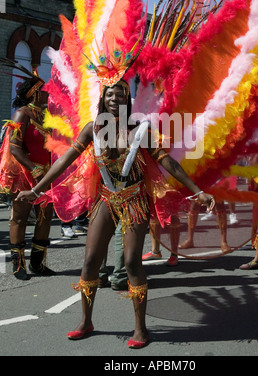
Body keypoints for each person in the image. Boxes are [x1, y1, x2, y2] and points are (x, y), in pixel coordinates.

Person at [16, 80, 215, 348]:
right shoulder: (93, 129)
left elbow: (167, 161)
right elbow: (64, 161)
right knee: (90, 262)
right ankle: (86, 321)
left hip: (135, 200)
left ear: (127, 99)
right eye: (109, 93)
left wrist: (197, 191)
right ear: (103, 98)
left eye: (120, 93)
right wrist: (37, 190)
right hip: (106, 199)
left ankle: (140, 329)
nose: (114, 98)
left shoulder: (141, 129)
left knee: (132, 261)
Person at [0, 71, 55, 280]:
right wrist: (35, 169)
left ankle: (37, 264)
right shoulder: (22, 114)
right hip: (25, 172)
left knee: (45, 217)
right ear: (35, 93)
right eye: (44, 91)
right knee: (20, 218)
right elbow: (15, 148)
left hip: (46, 173)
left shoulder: (47, 116)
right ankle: (18, 266)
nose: (48, 94)